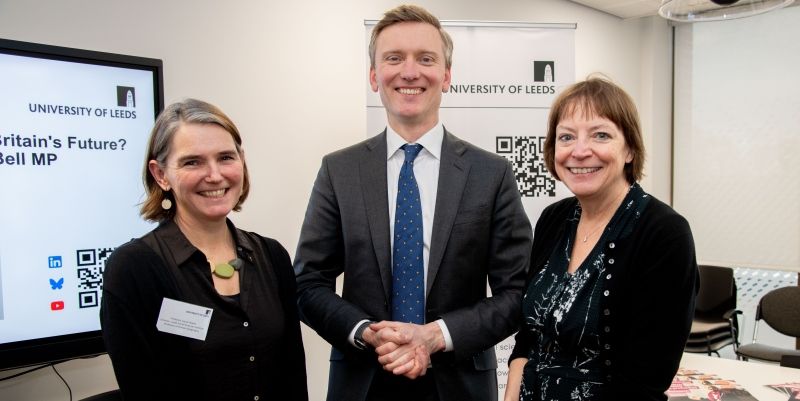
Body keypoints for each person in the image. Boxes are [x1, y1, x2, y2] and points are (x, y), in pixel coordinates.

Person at [294, 4, 533, 401]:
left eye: (425, 59)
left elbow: (516, 292)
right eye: (393, 58)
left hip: (459, 383)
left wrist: (435, 336)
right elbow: (308, 281)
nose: (409, 72)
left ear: (447, 75)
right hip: (362, 380)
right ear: (374, 76)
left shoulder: (491, 174)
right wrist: (366, 332)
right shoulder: (339, 171)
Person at [503, 76, 698, 401]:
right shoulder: (554, 218)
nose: (580, 151)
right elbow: (529, 337)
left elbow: (646, 378)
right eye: (566, 137)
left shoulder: (664, 233)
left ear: (630, 149)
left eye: (601, 135)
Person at [100, 99, 307, 401]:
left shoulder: (272, 256)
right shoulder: (133, 269)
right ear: (161, 175)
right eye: (192, 162)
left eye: (225, 157)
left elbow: (292, 377)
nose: (214, 175)